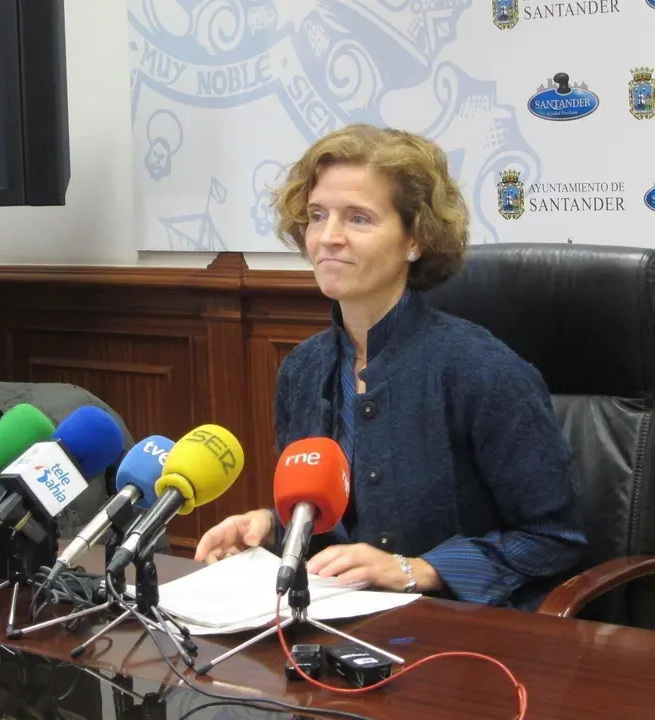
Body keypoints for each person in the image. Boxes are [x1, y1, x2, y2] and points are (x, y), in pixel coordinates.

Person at [194, 124, 586, 610]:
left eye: (358, 218)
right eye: (317, 216)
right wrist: (270, 528)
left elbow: (554, 538)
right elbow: (333, 519)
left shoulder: (483, 369)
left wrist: (417, 570)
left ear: (415, 239)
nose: (328, 237)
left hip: (454, 629)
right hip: (335, 620)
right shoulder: (302, 369)